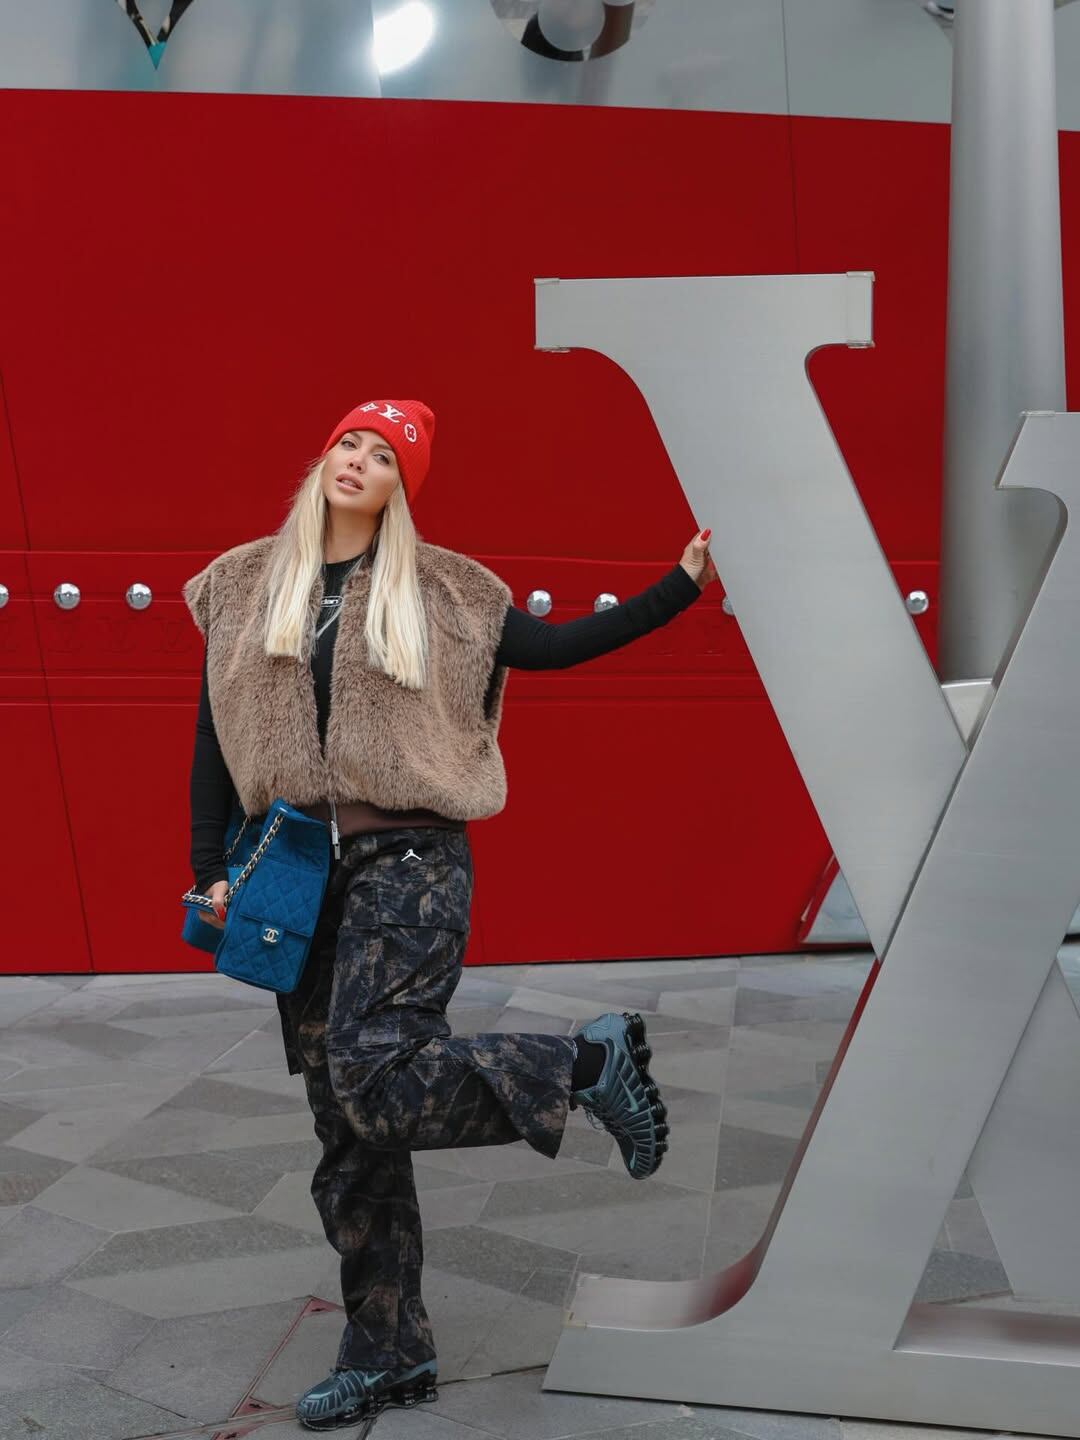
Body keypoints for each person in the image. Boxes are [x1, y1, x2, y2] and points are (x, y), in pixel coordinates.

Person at [182, 397, 718, 1430]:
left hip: (410, 857)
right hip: (290, 872)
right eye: (350, 441)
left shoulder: (445, 591)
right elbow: (212, 729)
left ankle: (583, 1067)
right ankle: (388, 1354)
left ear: (399, 490)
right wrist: (209, 864)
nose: (360, 460)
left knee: (377, 1077)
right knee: (346, 1128)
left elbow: (560, 647)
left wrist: (680, 587)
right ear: (324, 456)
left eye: (386, 456)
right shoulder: (247, 584)